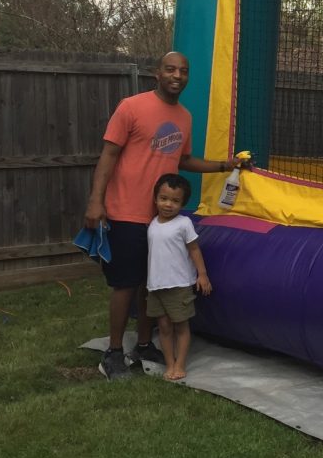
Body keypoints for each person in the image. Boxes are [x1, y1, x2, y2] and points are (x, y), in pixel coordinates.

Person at [84, 51, 236, 381]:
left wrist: (224, 166)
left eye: (183, 70)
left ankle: (142, 344)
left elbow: (183, 160)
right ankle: (112, 353)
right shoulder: (131, 107)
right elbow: (108, 155)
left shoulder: (183, 117)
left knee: (149, 286)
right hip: (125, 212)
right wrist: (96, 201)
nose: (177, 75)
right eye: (170, 69)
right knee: (125, 284)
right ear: (157, 73)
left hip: (160, 219)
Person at [146, 173, 211, 381]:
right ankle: (170, 363)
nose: (168, 204)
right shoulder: (152, 223)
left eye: (175, 201)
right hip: (156, 286)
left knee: (181, 326)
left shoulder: (184, 224)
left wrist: (202, 275)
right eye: (164, 198)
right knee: (164, 327)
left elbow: (194, 250)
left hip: (179, 284)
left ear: (182, 203)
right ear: (155, 199)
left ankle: (180, 364)